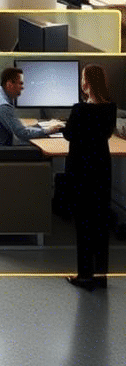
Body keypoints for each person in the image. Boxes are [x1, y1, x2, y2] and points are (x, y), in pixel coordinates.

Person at [64, 63, 116, 291]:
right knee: (100, 222)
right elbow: (105, 133)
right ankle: (101, 275)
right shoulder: (111, 108)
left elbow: (68, 134)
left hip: (81, 169)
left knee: (84, 223)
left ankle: (84, 276)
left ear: (85, 84)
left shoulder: (80, 109)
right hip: (102, 169)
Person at [0, 66, 63, 146]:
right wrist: (49, 130)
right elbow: (23, 134)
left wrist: (44, 127)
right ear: (9, 84)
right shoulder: (2, 105)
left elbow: (18, 129)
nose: (22, 87)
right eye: (20, 83)